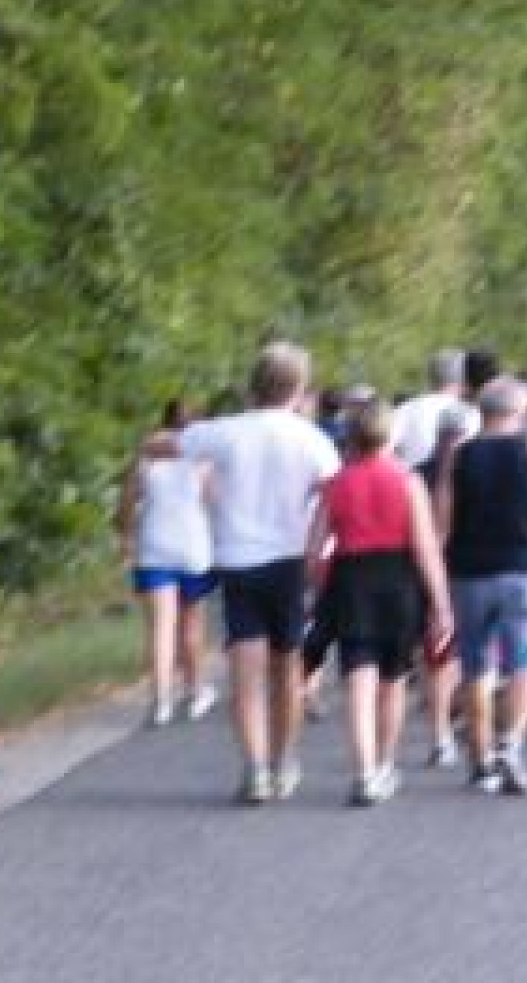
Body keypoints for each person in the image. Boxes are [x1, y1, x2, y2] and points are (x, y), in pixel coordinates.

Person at [175, 342, 341, 805]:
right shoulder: (311, 439)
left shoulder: (225, 433)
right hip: (289, 560)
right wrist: (316, 541)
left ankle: (254, 767)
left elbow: (166, 444)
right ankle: (283, 759)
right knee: (287, 665)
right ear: (300, 388)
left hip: (237, 560)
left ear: (253, 385)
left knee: (245, 670)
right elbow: (334, 491)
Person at [437, 377, 527, 796]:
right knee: (523, 661)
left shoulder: (459, 456)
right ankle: (511, 744)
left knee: (476, 664)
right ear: (522, 411)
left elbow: (440, 523)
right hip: (525, 567)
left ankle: (481, 758)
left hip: (471, 570)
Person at [304, 402, 453, 807]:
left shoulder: (336, 483)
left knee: (358, 680)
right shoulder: (408, 482)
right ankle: (385, 764)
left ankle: (364, 772)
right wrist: (441, 604)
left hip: (351, 582)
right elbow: (425, 548)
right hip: (398, 583)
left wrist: (315, 589)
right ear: (392, 437)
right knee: (393, 681)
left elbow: (315, 549)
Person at [117, 398, 217, 727]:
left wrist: (126, 537)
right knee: (192, 624)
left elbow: (127, 503)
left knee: (160, 627)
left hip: (154, 545)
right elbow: (213, 502)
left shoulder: (146, 458)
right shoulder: (203, 458)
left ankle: (160, 701)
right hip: (193, 548)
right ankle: (195, 690)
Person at [414, 404, 473, 767]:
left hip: (433, 568)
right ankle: (445, 728)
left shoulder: (418, 472)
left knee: (439, 655)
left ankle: (443, 730)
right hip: (460, 567)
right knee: (450, 654)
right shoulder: (475, 469)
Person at [390, 348, 475, 469]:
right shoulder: (472, 413)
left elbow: (384, 450)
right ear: (465, 379)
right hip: (458, 483)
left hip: (410, 481)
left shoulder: (406, 408)